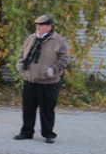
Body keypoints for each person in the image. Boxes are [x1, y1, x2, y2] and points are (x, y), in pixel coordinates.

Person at [14, 14, 70, 144]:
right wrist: (21, 63)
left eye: (41, 25)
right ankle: (26, 132)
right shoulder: (31, 38)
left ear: (49, 27)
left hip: (48, 82)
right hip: (30, 80)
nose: (38, 27)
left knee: (47, 109)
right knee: (28, 108)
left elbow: (64, 59)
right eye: (37, 24)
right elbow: (22, 53)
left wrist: (53, 69)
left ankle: (48, 133)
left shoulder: (58, 40)